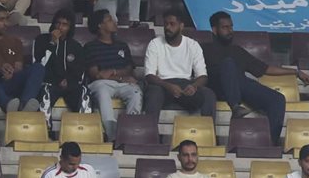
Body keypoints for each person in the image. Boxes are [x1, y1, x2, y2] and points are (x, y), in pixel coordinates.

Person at [203, 11, 307, 141]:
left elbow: (265, 69)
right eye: (225, 27)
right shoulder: (204, 49)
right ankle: (235, 107)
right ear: (214, 30)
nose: (230, 31)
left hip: (240, 85)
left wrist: (295, 72)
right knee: (228, 64)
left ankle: (270, 142)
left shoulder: (237, 50)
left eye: (231, 26)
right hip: (216, 85)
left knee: (278, 99)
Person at [81, 10, 143, 141]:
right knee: (102, 89)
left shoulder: (122, 45)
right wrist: (119, 77)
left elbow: (129, 69)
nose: (114, 22)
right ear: (100, 25)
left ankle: (129, 133)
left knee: (136, 91)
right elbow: (96, 75)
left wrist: (113, 72)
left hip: (121, 83)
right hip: (101, 84)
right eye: (109, 20)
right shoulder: (90, 47)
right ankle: (112, 135)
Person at [143, 11, 215, 119]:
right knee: (154, 93)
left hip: (185, 85)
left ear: (181, 26)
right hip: (162, 85)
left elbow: (203, 76)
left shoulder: (193, 45)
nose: (168, 27)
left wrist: (194, 86)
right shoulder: (155, 44)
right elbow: (149, 76)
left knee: (208, 94)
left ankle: (208, 129)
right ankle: (149, 129)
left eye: (172, 24)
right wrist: (169, 86)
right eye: (166, 24)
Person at [34, 9, 90, 130]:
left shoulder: (76, 46)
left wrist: (68, 80)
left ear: (70, 28)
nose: (60, 27)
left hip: (70, 84)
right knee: (45, 92)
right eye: (58, 23)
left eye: (65, 25)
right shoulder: (41, 40)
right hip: (50, 83)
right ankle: (45, 130)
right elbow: (40, 65)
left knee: (84, 92)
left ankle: (84, 130)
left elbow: (80, 70)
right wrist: (52, 43)